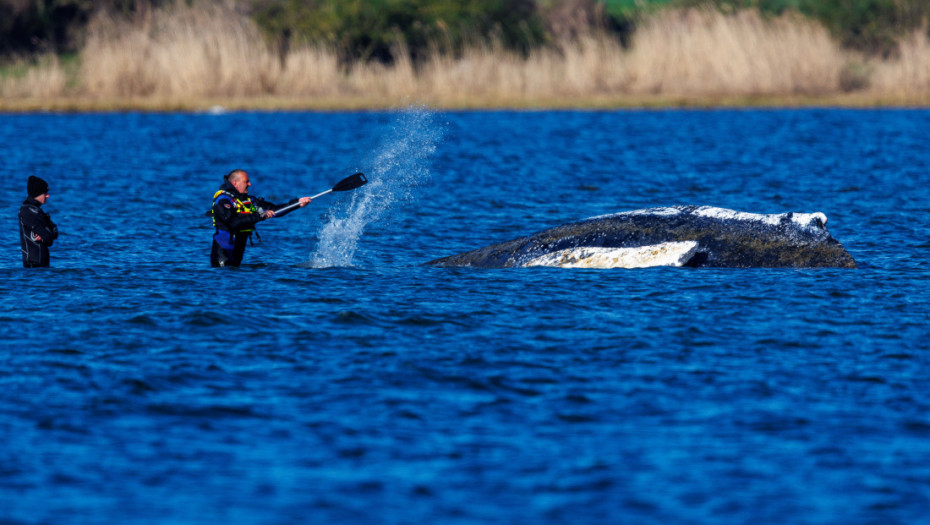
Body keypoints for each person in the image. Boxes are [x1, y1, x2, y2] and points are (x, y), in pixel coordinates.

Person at [210, 169, 311, 267]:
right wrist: (259, 216)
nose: (250, 184)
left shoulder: (250, 201)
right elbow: (233, 223)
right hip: (222, 256)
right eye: (247, 181)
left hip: (237, 257)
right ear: (235, 183)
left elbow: (274, 210)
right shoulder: (223, 200)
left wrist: (297, 203)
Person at [19, 175, 59, 268]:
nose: (48, 196)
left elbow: (55, 231)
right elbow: (48, 237)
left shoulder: (38, 211)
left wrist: (47, 236)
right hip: (33, 267)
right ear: (38, 194)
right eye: (45, 193)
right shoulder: (27, 211)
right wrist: (47, 236)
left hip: (43, 268)